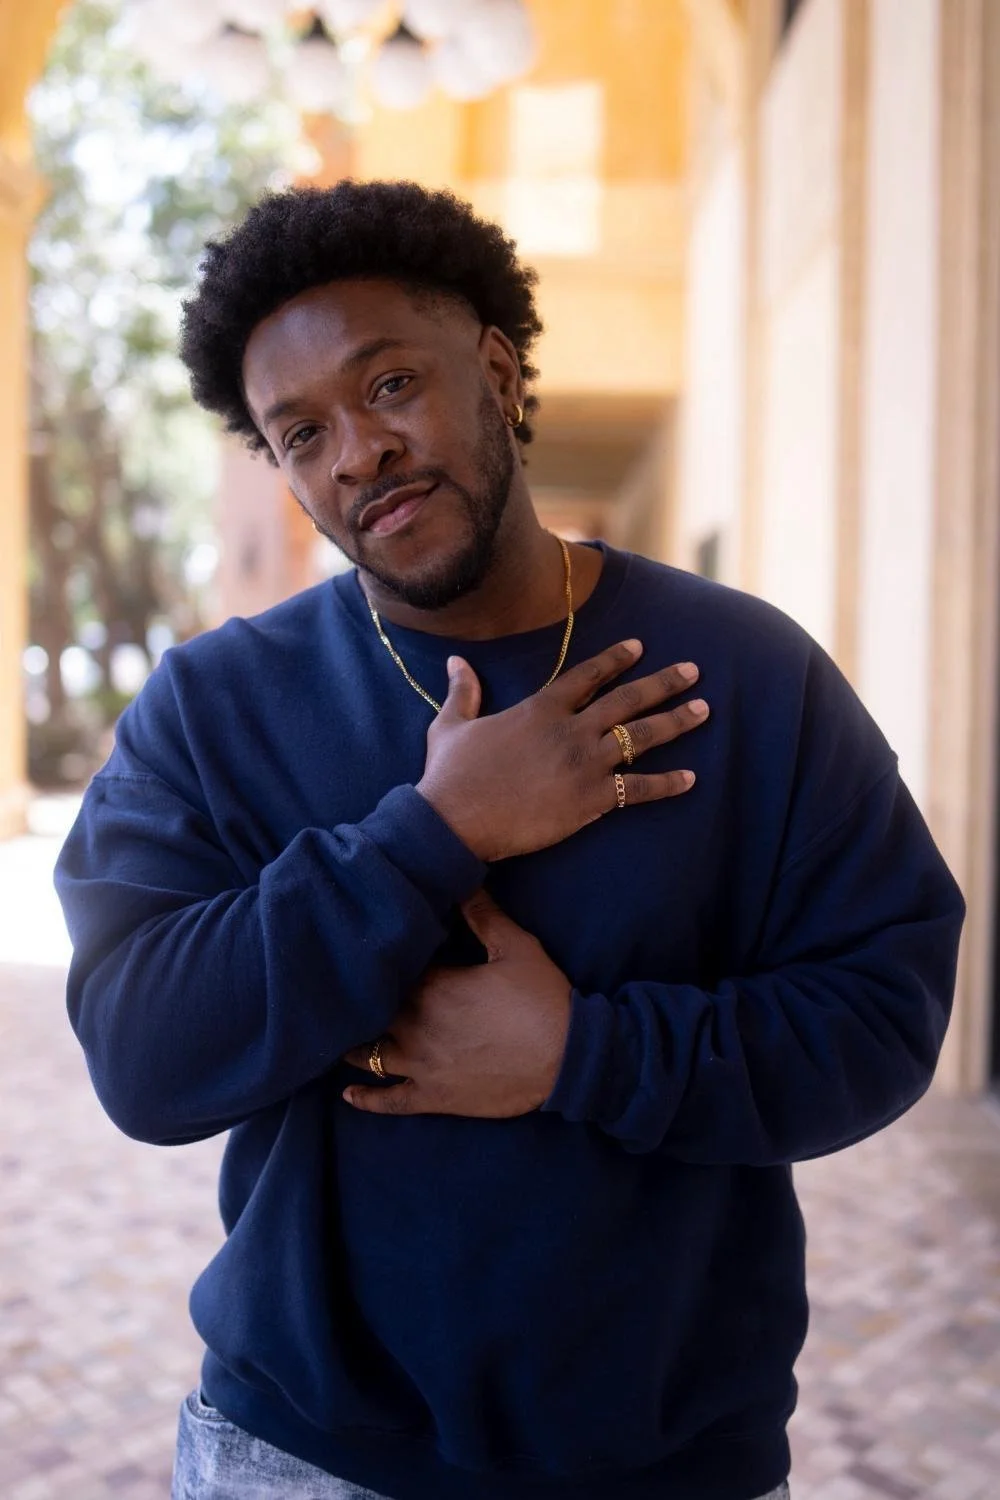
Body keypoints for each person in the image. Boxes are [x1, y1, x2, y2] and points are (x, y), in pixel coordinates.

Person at [55, 181, 964, 1500]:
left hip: (669, 1462)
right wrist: (435, 832)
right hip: (305, 1458)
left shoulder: (747, 673)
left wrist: (585, 1056)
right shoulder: (215, 708)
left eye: (390, 386)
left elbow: (884, 1016)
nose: (356, 452)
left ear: (493, 366)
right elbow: (145, 1056)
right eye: (300, 432)